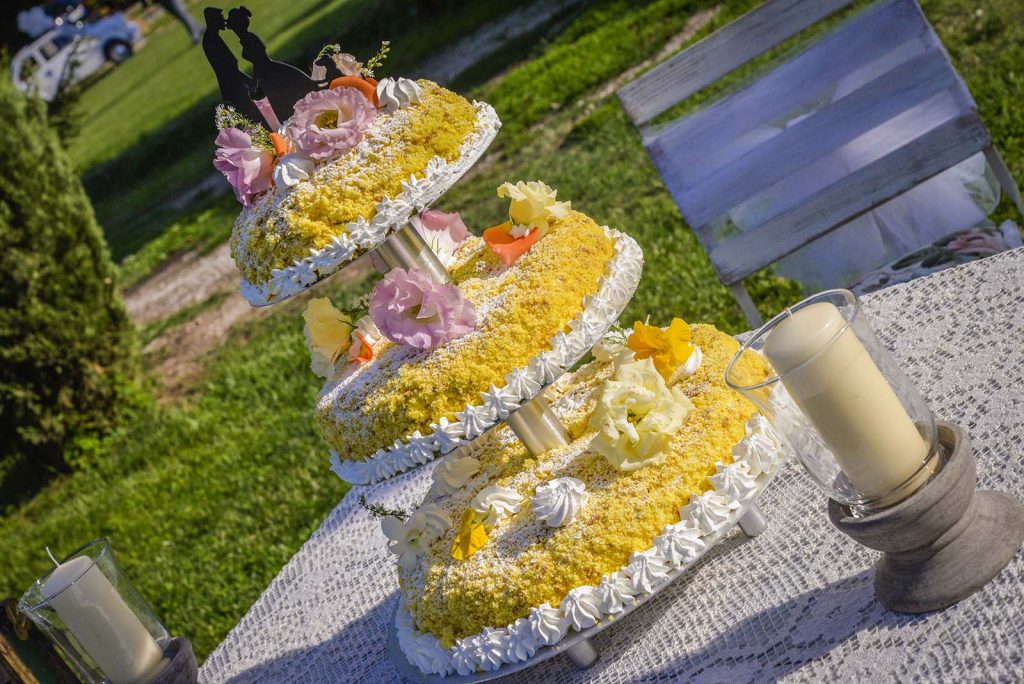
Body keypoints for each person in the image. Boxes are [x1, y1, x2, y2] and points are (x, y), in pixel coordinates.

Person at [228, 6, 318, 123]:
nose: (234, 31)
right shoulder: (245, 39)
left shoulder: (250, 38)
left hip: (266, 71)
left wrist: (252, 78)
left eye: (234, 27)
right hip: (263, 72)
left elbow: (259, 57)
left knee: (284, 96)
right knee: (280, 100)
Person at [201, 7, 266, 127]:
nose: (224, 20)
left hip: (235, 84)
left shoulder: (212, 37)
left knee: (252, 115)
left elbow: (230, 66)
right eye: (221, 18)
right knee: (252, 116)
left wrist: (247, 80)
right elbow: (227, 68)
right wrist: (247, 81)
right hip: (233, 86)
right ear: (213, 20)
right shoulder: (211, 39)